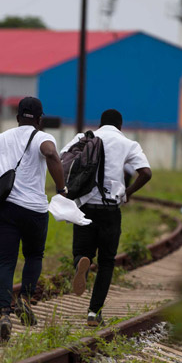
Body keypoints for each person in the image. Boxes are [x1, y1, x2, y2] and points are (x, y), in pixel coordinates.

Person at [0, 97, 68, 346]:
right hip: (35, 210)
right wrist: (61, 188)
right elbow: (51, 155)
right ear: (39, 119)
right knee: (34, 256)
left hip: (5, 210)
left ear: (16, 117)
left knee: (5, 262)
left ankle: (4, 314)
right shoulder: (42, 137)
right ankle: (24, 298)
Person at [63, 109, 152, 327]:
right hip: (110, 210)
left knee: (82, 251)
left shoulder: (84, 137)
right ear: (120, 126)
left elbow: (62, 158)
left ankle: (81, 263)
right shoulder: (128, 143)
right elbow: (146, 173)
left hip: (85, 206)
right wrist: (128, 193)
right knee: (107, 262)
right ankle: (94, 313)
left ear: (100, 123)